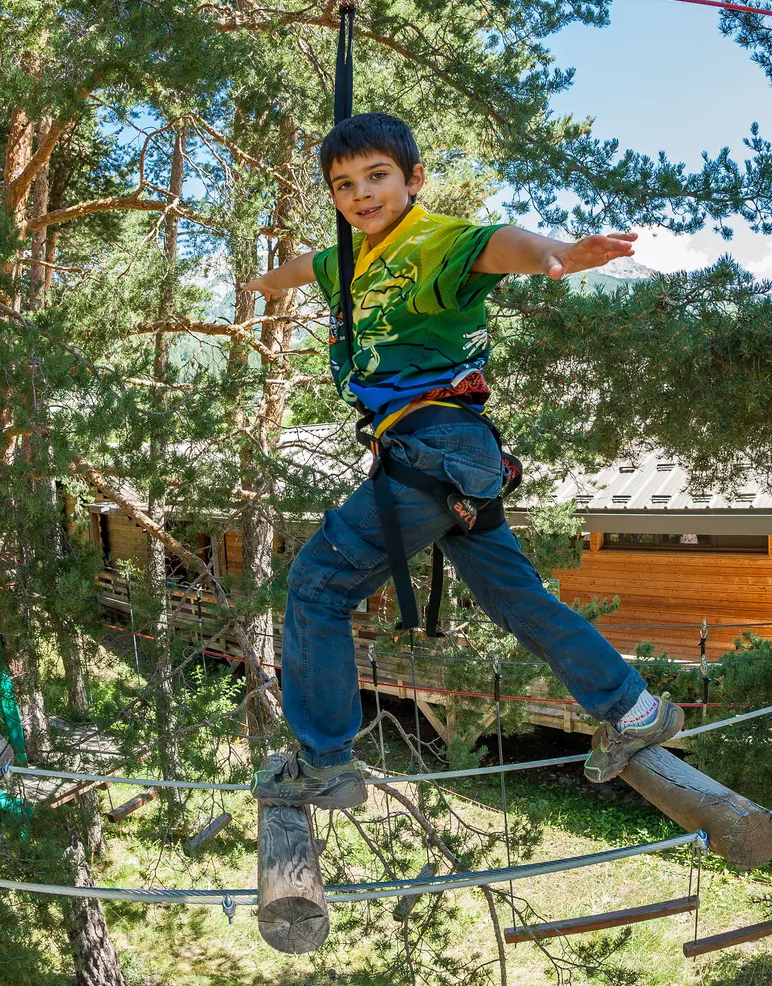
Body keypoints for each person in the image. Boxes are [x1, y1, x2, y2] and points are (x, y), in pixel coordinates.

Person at [239, 112, 679, 808]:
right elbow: (305, 266)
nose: (361, 194)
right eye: (343, 184)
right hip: (457, 456)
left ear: (414, 180)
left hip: (431, 447)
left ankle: (323, 761)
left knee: (319, 586)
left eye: (378, 176)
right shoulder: (342, 261)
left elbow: (497, 244)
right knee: (513, 598)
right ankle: (635, 710)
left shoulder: (435, 242)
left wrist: (554, 252)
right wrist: (267, 285)